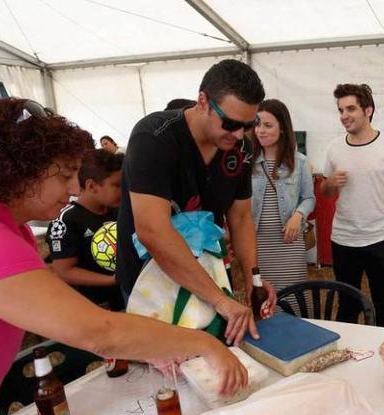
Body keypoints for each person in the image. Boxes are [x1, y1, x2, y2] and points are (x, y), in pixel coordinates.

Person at [0, 98, 248, 415]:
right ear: (17, 170)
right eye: (64, 174)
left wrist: (156, 345)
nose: (71, 188)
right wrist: (203, 344)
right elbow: (96, 331)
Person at [116, 59, 275, 346]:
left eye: (248, 125)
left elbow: (240, 218)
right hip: (151, 281)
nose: (239, 135)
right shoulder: (154, 138)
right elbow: (153, 231)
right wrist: (219, 299)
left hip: (208, 273)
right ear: (203, 101)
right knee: (165, 369)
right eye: (230, 123)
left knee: (216, 360)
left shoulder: (241, 149)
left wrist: (254, 280)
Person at [321, 83, 384, 327]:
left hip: (380, 239)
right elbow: (325, 191)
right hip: (344, 240)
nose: (344, 116)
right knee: (347, 304)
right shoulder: (334, 148)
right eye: (341, 110)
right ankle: (347, 354)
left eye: (350, 109)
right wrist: (330, 183)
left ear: (368, 110)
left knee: (383, 302)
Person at [250, 99, 315, 292]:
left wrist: (297, 216)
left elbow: (309, 198)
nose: (260, 130)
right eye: (257, 124)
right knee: (263, 298)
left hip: (289, 243)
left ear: (282, 128)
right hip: (258, 244)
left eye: (268, 125)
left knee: (293, 298)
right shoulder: (247, 162)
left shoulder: (300, 162)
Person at [47, 149, 123, 309]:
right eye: (117, 185)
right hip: (93, 305)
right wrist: (113, 280)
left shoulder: (118, 210)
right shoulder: (65, 220)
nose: (122, 191)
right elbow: (64, 271)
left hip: (125, 297)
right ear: (92, 186)